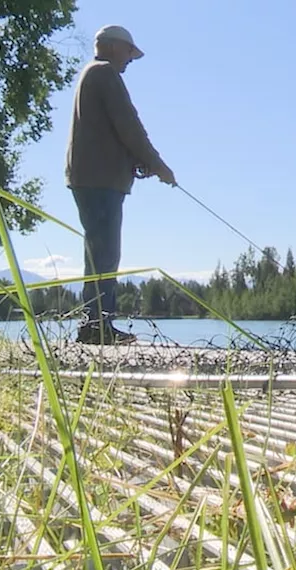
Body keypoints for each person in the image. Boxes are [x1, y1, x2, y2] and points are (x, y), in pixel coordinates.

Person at [65, 24, 176, 345]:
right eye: (130, 52)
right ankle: (96, 328)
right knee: (105, 254)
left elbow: (112, 132)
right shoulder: (103, 73)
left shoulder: (93, 74)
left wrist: (135, 161)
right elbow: (129, 125)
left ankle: (94, 326)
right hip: (99, 181)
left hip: (91, 178)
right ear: (113, 46)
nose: (131, 59)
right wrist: (158, 165)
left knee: (99, 252)